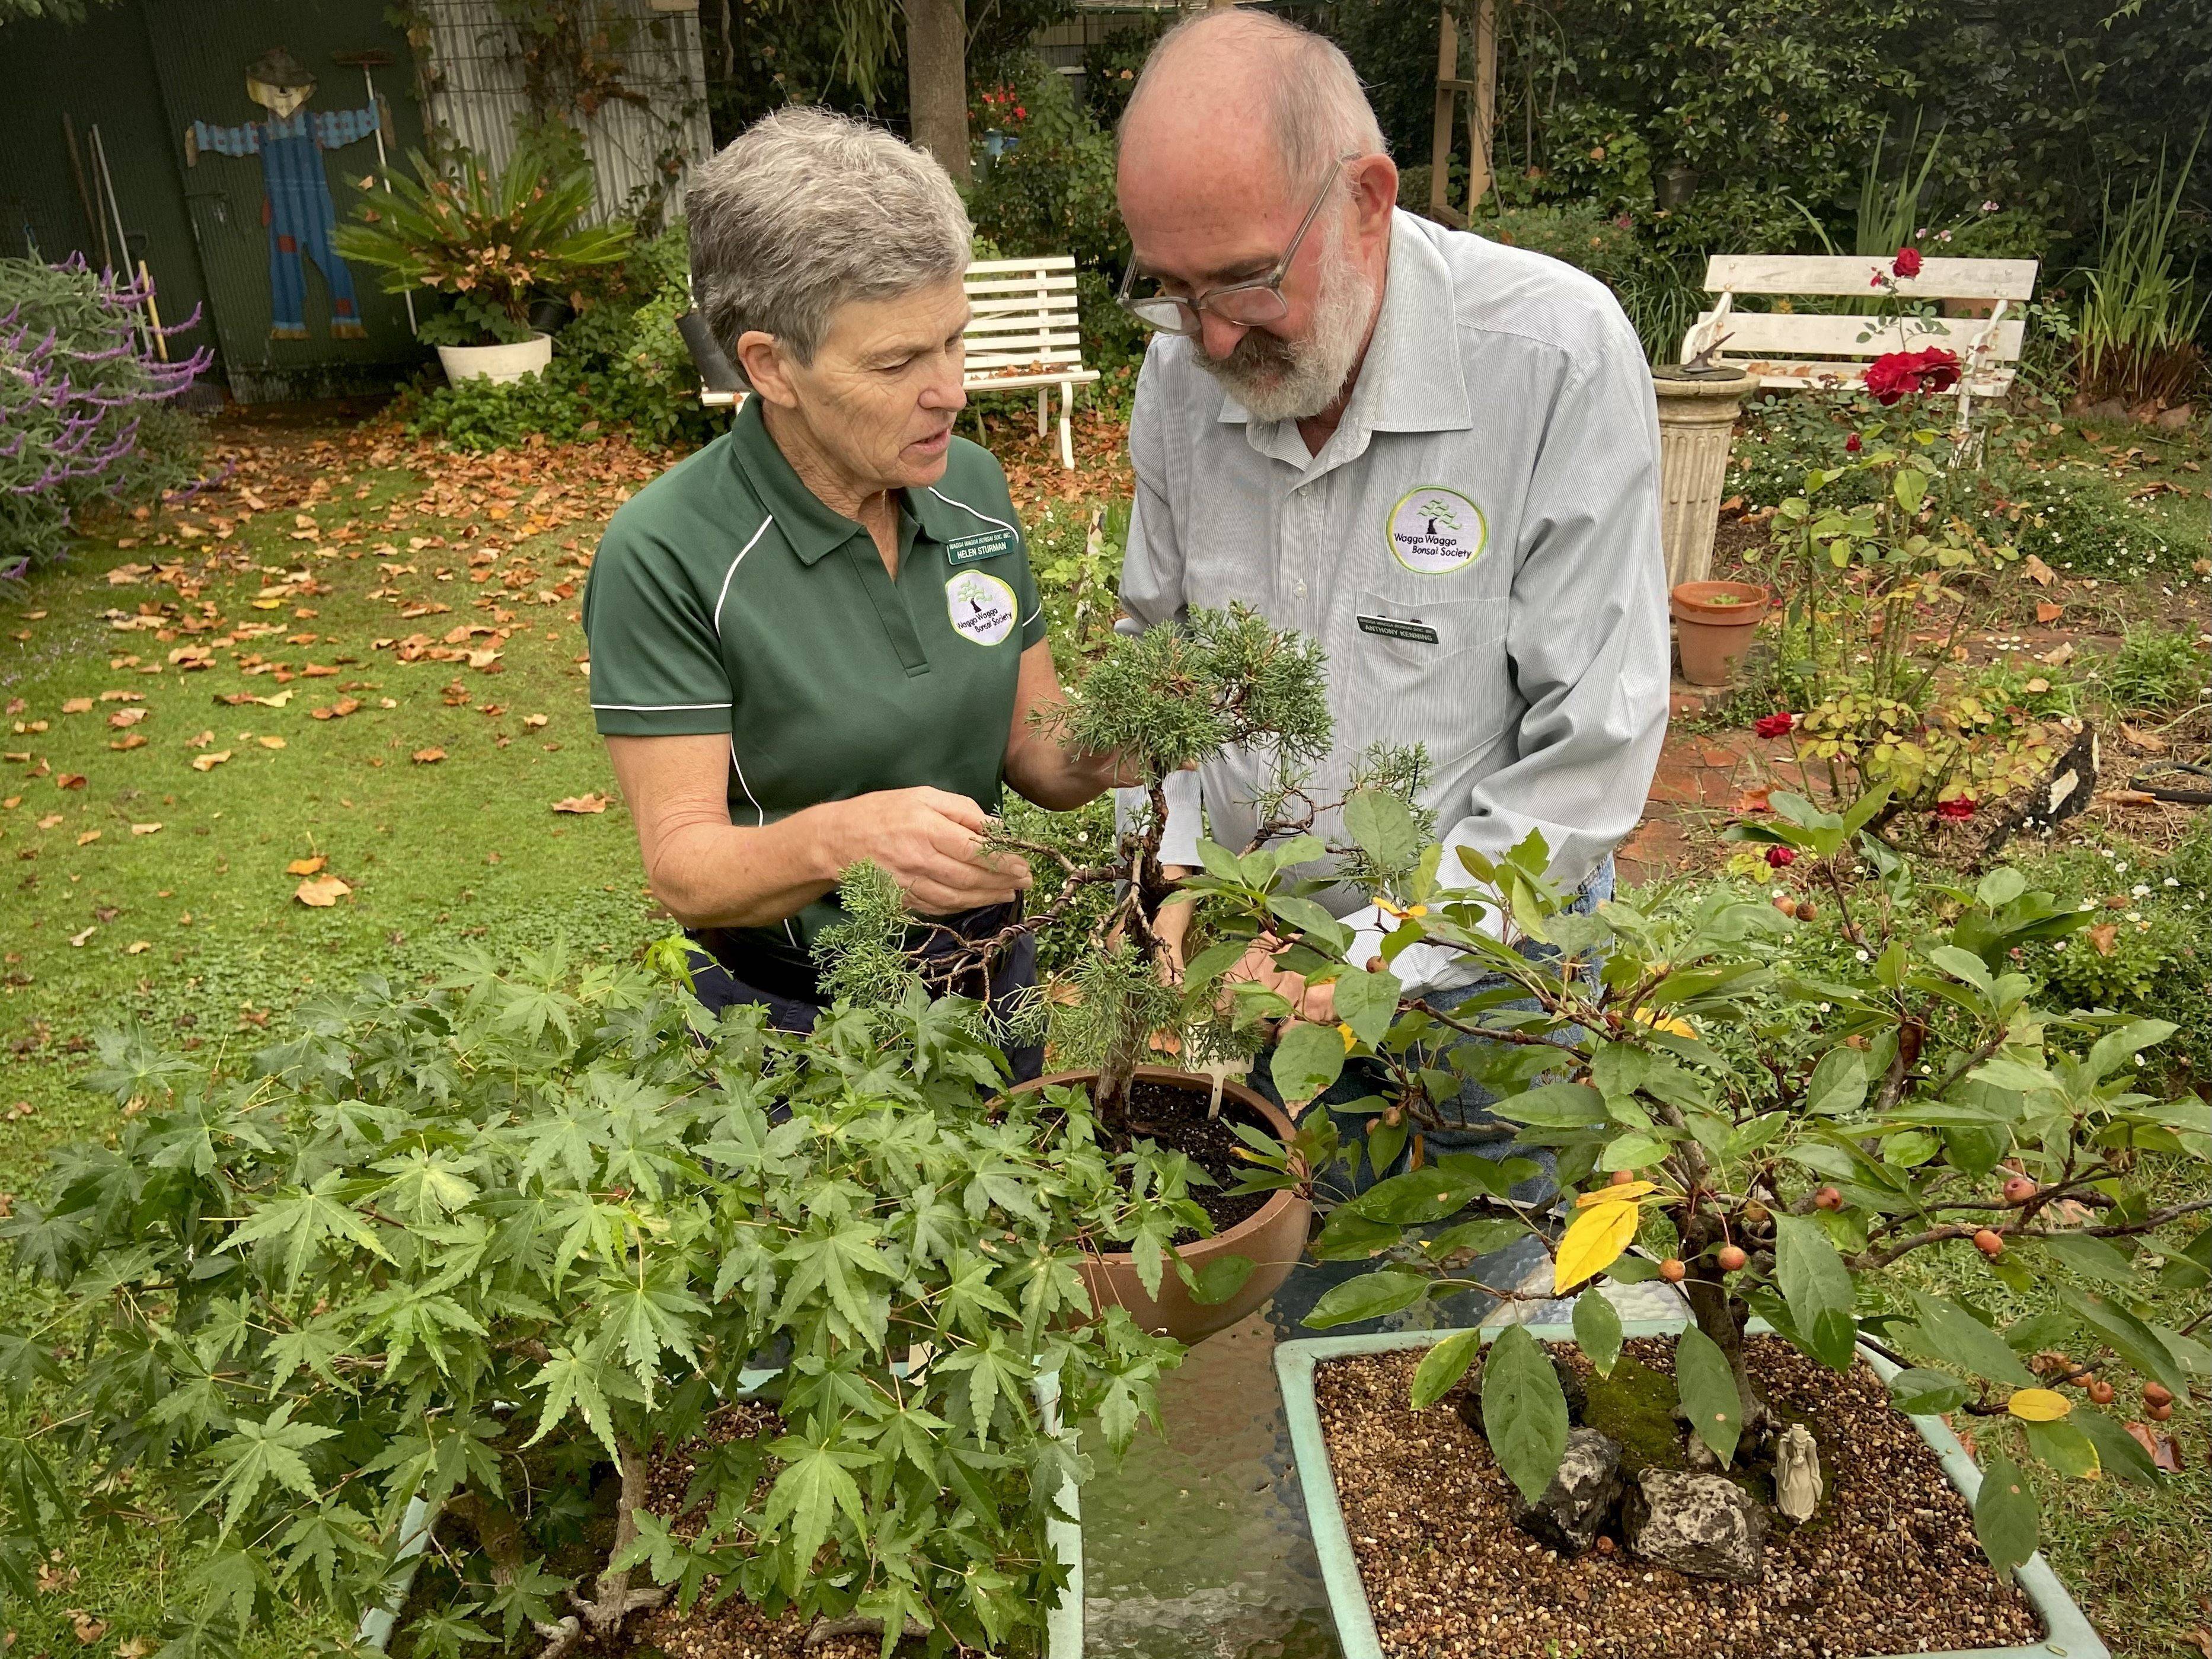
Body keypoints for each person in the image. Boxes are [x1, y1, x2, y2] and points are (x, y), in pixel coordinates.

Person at [1110, 12, 1668, 1172]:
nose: (1208, 333)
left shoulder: (1554, 355)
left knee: (1460, 1319)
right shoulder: (1177, 378)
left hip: (1487, 986)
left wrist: (1372, 956)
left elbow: (1589, 752)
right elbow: (1156, 662)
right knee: (1297, 1296)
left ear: (1366, 198)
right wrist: (1172, 868)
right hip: (1252, 968)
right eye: (1167, 288)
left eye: (1244, 280)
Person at [583, 109, 1125, 1073]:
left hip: (994, 979)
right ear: (769, 367)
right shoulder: (667, 553)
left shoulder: (968, 486)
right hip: (794, 1023)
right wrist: (840, 841)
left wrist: (1146, 728)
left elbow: (1035, 749)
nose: (952, 390)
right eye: (897, 362)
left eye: (954, 340)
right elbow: (685, 869)